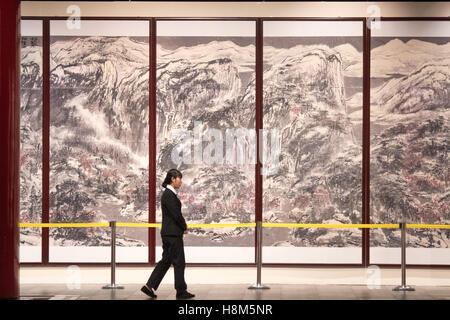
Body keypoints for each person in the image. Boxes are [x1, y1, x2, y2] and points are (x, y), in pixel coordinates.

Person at [141, 169, 195, 299]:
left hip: (169, 233)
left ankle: (149, 286)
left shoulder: (169, 194)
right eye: (179, 178)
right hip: (172, 234)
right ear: (172, 179)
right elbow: (176, 215)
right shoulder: (169, 195)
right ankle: (181, 291)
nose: (181, 181)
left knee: (166, 261)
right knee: (179, 262)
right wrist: (184, 227)